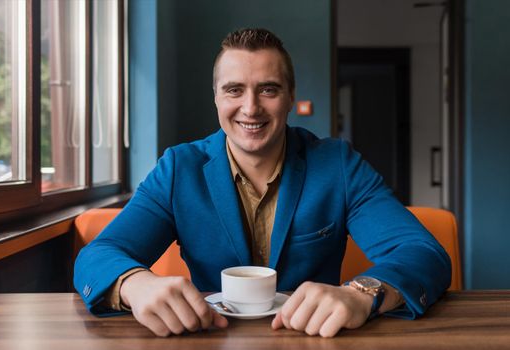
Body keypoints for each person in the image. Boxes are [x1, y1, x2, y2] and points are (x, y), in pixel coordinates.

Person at [74, 28, 451, 338]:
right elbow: (97, 255)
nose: (251, 108)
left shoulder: (338, 164)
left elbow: (424, 254)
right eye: (234, 90)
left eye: (268, 89)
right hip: (207, 339)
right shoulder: (179, 169)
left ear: (289, 98)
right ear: (217, 98)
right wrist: (135, 285)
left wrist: (362, 293)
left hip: (315, 341)